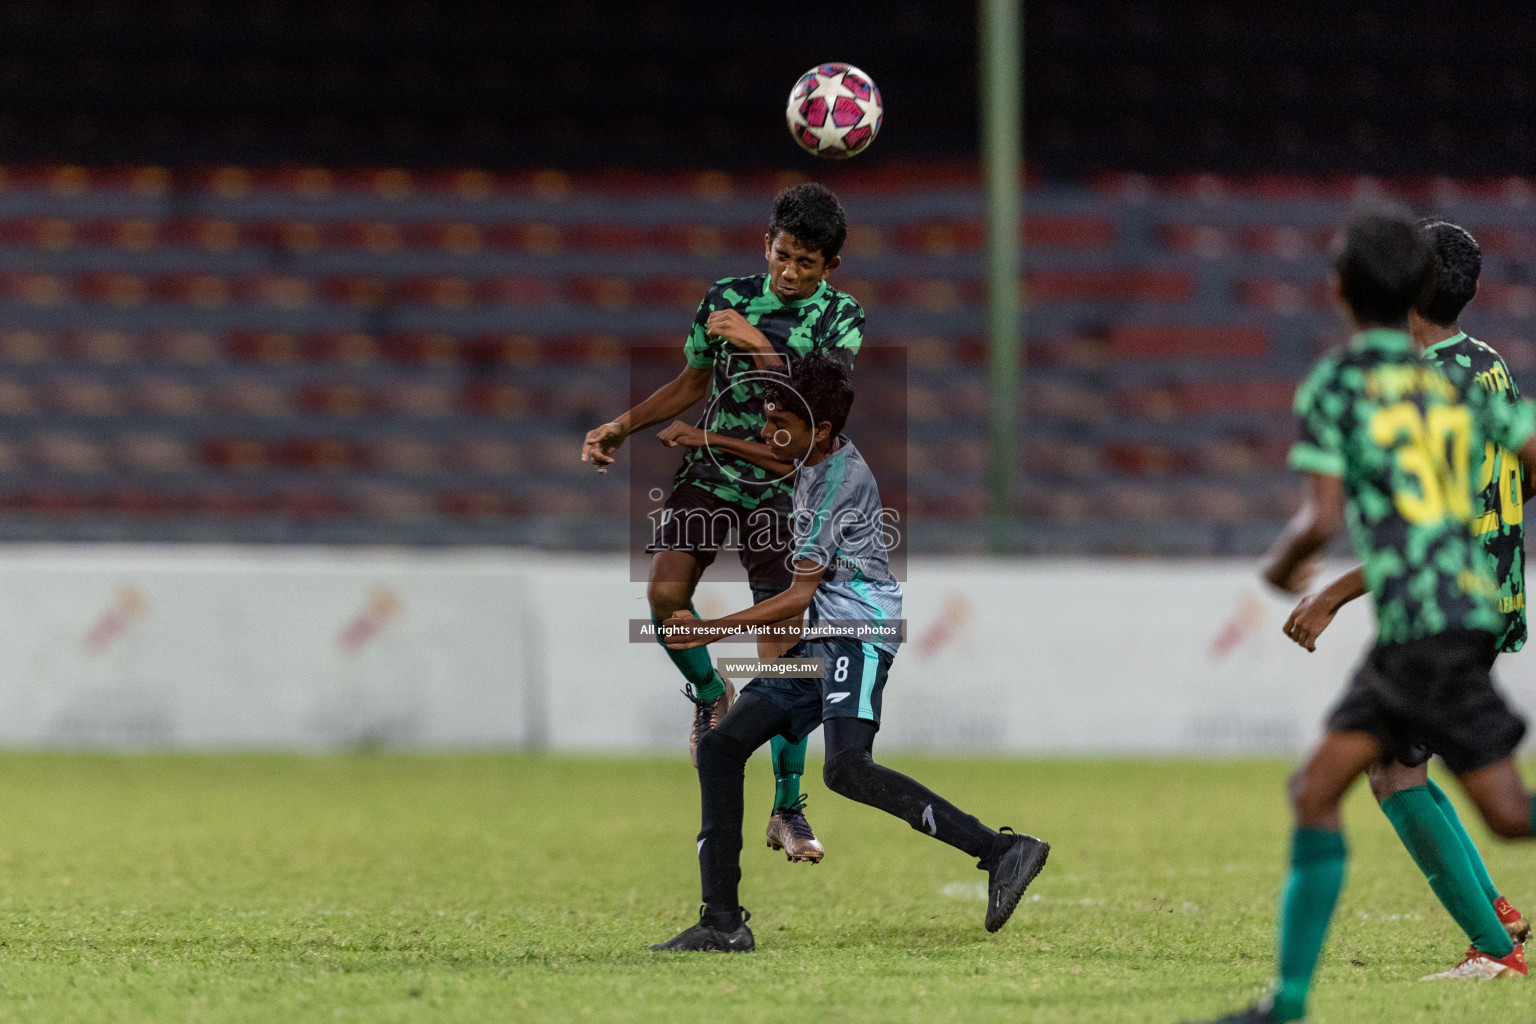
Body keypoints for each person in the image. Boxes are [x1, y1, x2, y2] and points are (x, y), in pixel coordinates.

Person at [1188, 209, 1536, 1024]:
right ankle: (1305, 998)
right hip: (1470, 599)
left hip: (1432, 616)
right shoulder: (1479, 369)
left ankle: (1491, 947)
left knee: (1424, 786)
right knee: (1358, 781)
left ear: (1343, 288)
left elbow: (1319, 522)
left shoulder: (1346, 384)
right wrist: (1494, 523)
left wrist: (1295, 579)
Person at [648, 353, 1049, 952]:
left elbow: (797, 596)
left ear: (823, 431)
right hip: (825, 634)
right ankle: (722, 923)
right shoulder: (813, 448)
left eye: (779, 422)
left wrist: (709, 631)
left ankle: (1002, 851)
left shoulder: (838, 486)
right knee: (723, 746)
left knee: (846, 768)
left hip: (858, 633)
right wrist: (705, 436)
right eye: (767, 419)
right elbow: (780, 455)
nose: (767, 432)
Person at [581, 183, 867, 862]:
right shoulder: (724, 298)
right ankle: (711, 693)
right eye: (783, 255)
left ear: (831, 268)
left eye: (806, 263)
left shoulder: (841, 318)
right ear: (765, 243)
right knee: (663, 596)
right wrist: (621, 427)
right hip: (712, 473)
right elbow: (692, 381)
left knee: (786, 660)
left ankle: (788, 809)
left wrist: (759, 348)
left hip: (785, 487)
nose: (790, 272)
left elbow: (812, 405)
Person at [1280, 219, 1529, 980]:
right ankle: (1500, 923)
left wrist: (1334, 590)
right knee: (1408, 766)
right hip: (1495, 586)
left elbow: (1429, 523)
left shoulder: (1420, 378)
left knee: (1397, 774)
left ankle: (1495, 947)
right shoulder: (1485, 364)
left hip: (1444, 600)